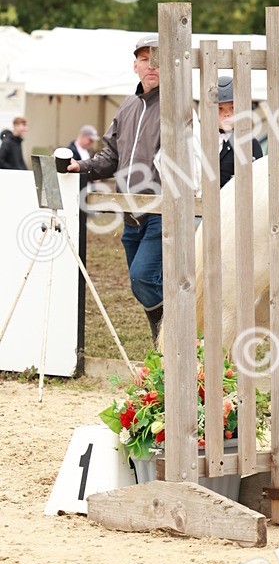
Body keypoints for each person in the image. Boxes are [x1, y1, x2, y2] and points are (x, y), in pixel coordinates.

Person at [67, 34, 166, 343]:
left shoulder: (177, 107)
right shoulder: (127, 107)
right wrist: (80, 167)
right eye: (146, 59)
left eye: (159, 59)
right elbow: (111, 155)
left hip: (162, 212)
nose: (152, 65)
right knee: (143, 283)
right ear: (135, 65)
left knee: (143, 278)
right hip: (128, 213)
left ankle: (168, 337)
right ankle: (174, 339)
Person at [216, 76, 263, 188]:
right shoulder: (201, 140)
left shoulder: (251, 144)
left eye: (232, 107)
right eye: (220, 109)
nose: (226, 114)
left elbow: (258, 181)